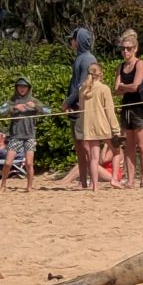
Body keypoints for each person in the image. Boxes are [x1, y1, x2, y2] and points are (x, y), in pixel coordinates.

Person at [115, 30, 143, 188]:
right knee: (128, 145)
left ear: (135, 48)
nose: (125, 51)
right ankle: (130, 180)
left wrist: (124, 86)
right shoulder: (121, 66)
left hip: (139, 107)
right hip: (126, 107)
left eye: (129, 48)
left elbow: (136, 86)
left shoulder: (140, 64)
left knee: (142, 145)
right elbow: (116, 89)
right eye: (123, 48)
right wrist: (125, 87)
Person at [63, 27, 98, 187]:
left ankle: (92, 180)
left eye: (73, 38)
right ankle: (83, 180)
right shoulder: (79, 58)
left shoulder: (88, 59)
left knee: (86, 146)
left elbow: (83, 86)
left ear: (79, 40)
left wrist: (68, 101)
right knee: (79, 147)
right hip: (76, 108)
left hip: (84, 108)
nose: (71, 41)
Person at [79, 62, 121, 191]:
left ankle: (95, 185)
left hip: (89, 127)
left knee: (94, 157)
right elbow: (110, 111)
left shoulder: (83, 90)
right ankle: (114, 179)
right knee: (116, 151)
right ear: (100, 74)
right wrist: (116, 129)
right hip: (103, 125)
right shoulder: (104, 89)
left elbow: (81, 109)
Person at [0, 76, 43, 192]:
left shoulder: (33, 100)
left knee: (29, 163)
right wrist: (14, 108)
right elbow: (0, 111)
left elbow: (48, 110)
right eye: (20, 86)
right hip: (15, 136)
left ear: (28, 88)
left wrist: (36, 107)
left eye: (24, 87)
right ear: (16, 88)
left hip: (30, 136)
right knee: (7, 163)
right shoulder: (12, 100)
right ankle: (3, 185)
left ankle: (29, 187)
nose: (22, 89)